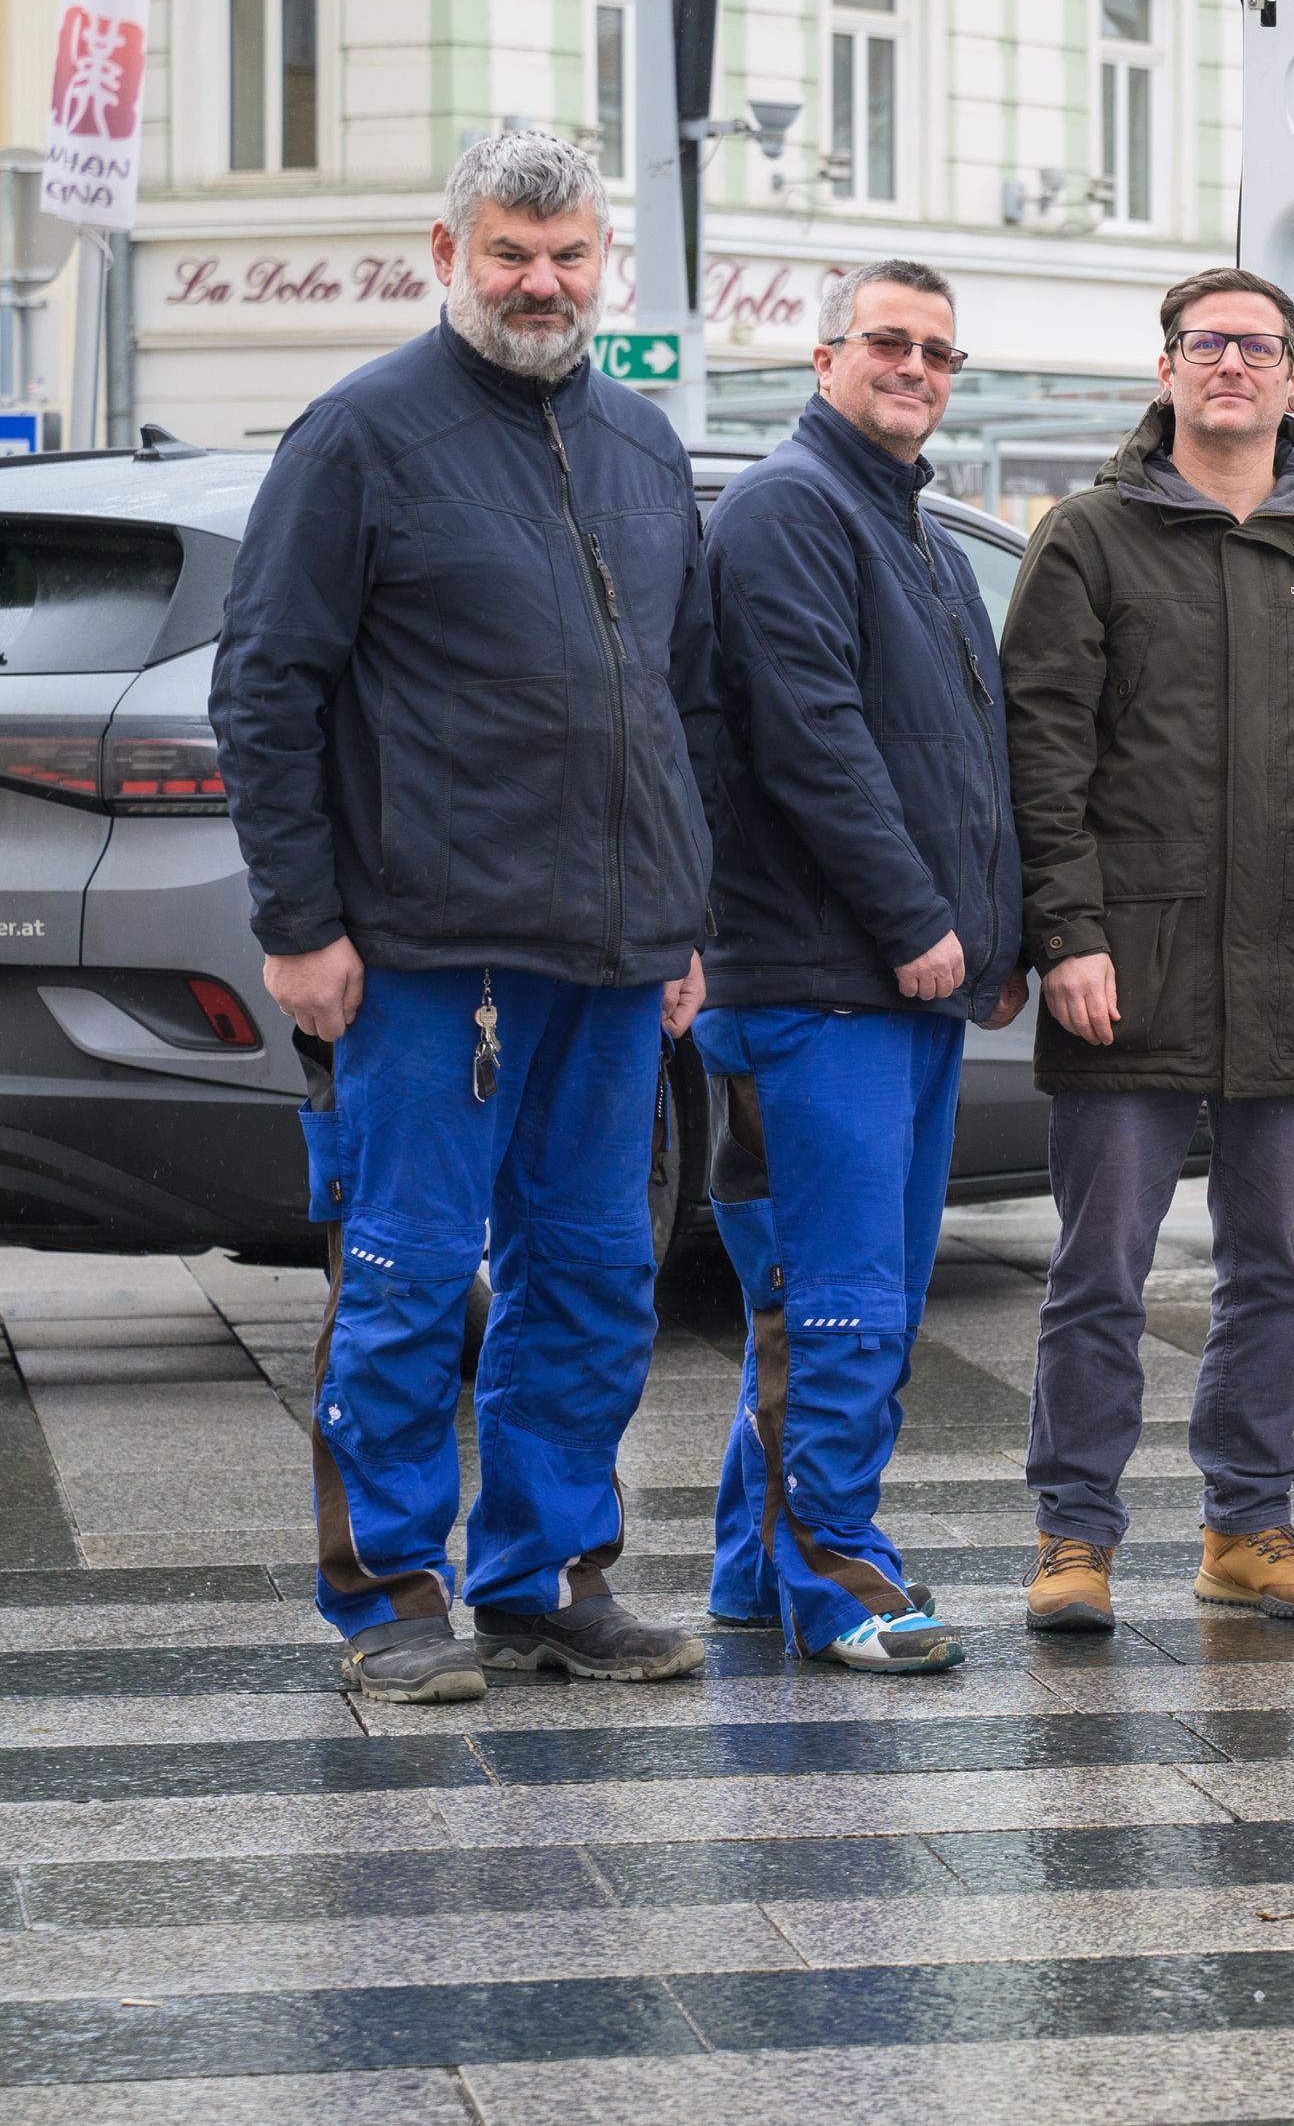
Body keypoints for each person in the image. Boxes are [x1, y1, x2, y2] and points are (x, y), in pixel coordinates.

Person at [212, 127, 715, 1705]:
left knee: (593, 1274)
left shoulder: (639, 443)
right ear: (447, 257)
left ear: (602, 263)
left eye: (568, 256)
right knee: (413, 1271)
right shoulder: (361, 435)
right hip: (435, 957)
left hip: (619, 956)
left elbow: (678, 699)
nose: (541, 283)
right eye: (510, 252)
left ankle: (549, 1580)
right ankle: (385, 1600)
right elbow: (266, 687)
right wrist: (300, 923)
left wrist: (685, 917)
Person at [1004, 267, 1294, 1630]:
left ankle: (1245, 1524)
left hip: (1292, 961)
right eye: (1205, 344)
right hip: (1129, 967)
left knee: (1272, 1264)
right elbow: (1042, 756)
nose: (1231, 365)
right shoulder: (1089, 537)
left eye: (1257, 348)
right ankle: (1073, 1537)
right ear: (1167, 370)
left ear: (1289, 376)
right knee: (1102, 1270)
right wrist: (1069, 936)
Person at [690, 259, 1026, 1674]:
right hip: (817, 985)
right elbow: (812, 742)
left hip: (896, 989)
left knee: (833, 1288)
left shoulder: (923, 539)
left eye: (940, 352)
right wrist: (912, 921)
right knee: (842, 1298)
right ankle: (838, 1574)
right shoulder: (789, 511)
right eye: (889, 342)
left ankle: (754, 1572)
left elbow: (967, 766)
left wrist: (991, 944)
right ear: (823, 359)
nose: (917, 368)